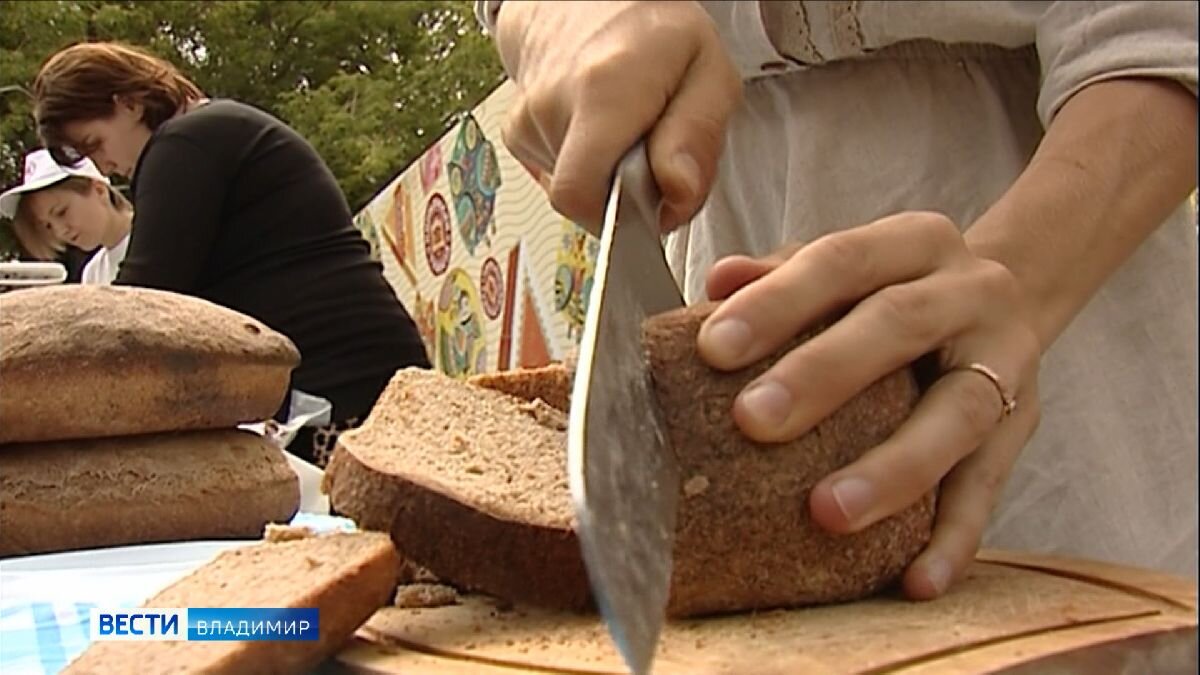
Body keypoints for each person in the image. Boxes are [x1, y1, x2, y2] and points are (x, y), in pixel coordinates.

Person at [478, 0, 1199, 595]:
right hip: (725, 238)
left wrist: (1014, 275)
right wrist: (560, 21)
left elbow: (1158, 32)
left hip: (1076, 296)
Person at [31, 41, 432, 466]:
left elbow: (142, 306)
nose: (104, 165)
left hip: (345, 386)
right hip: (364, 376)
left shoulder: (181, 146)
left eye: (96, 143)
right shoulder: (210, 129)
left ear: (129, 103)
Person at [1, 149, 132, 285]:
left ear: (99, 190)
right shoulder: (93, 273)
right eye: (48, 225)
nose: (60, 231)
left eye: (61, 212)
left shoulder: (153, 238)